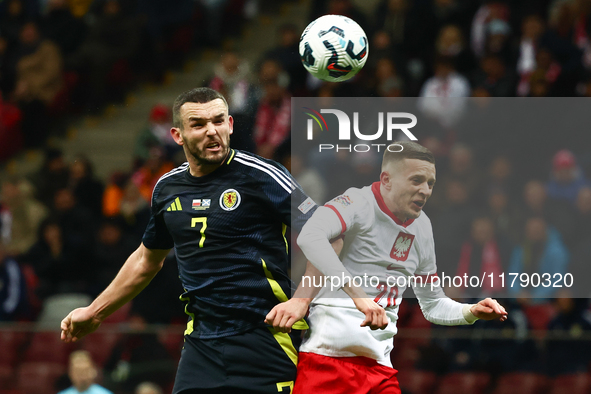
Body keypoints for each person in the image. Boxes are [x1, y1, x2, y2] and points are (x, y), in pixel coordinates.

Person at [60, 87, 318, 393]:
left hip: (264, 338)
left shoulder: (262, 176)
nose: (212, 131)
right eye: (198, 124)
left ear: (230, 125)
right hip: (202, 346)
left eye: (218, 121)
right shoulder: (167, 189)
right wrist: (95, 311)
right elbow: (146, 260)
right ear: (177, 135)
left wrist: (302, 299)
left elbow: (329, 233)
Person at [265, 141, 507, 393]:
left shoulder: (423, 227)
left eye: (430, 183)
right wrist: (360, 297)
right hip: (326, 361)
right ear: (387, 179)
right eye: (416, 180)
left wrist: (471, 312)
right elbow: (310, 236)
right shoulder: (356, 202)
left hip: (379, 371)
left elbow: (433, 304)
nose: (425, 190)